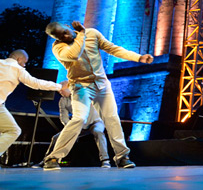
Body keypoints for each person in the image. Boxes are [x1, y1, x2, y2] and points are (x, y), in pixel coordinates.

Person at [43, 21, 153, 170]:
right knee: (79, 118)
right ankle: (53, 157)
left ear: (68, 27)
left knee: (112, 118)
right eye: (59, 37)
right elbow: (74, 54)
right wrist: (81, 34)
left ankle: (122, 157)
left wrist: (138, 57)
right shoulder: (58, 48)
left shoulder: (92, 33)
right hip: (81, 86)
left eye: (64, 32)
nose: (65, 37)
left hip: (101, 84)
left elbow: (113, 49)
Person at [1, 50, 69, 160]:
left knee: (12, 129)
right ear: (19, 59)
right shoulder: (17, 69)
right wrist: (59, 86)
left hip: (1, 105)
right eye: (24, 62)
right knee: (13, 131)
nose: (24, 65)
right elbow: (36, 83)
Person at [38, 96, 109, 168]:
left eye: (62, 90)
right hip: (79, 124)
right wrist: (71, 130)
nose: (60, 92)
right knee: (56, 137)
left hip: (96, 122)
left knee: (98, 132)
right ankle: (47, 160)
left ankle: (105, 160)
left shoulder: (83, 93)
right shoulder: (63, 100)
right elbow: (64, 118)